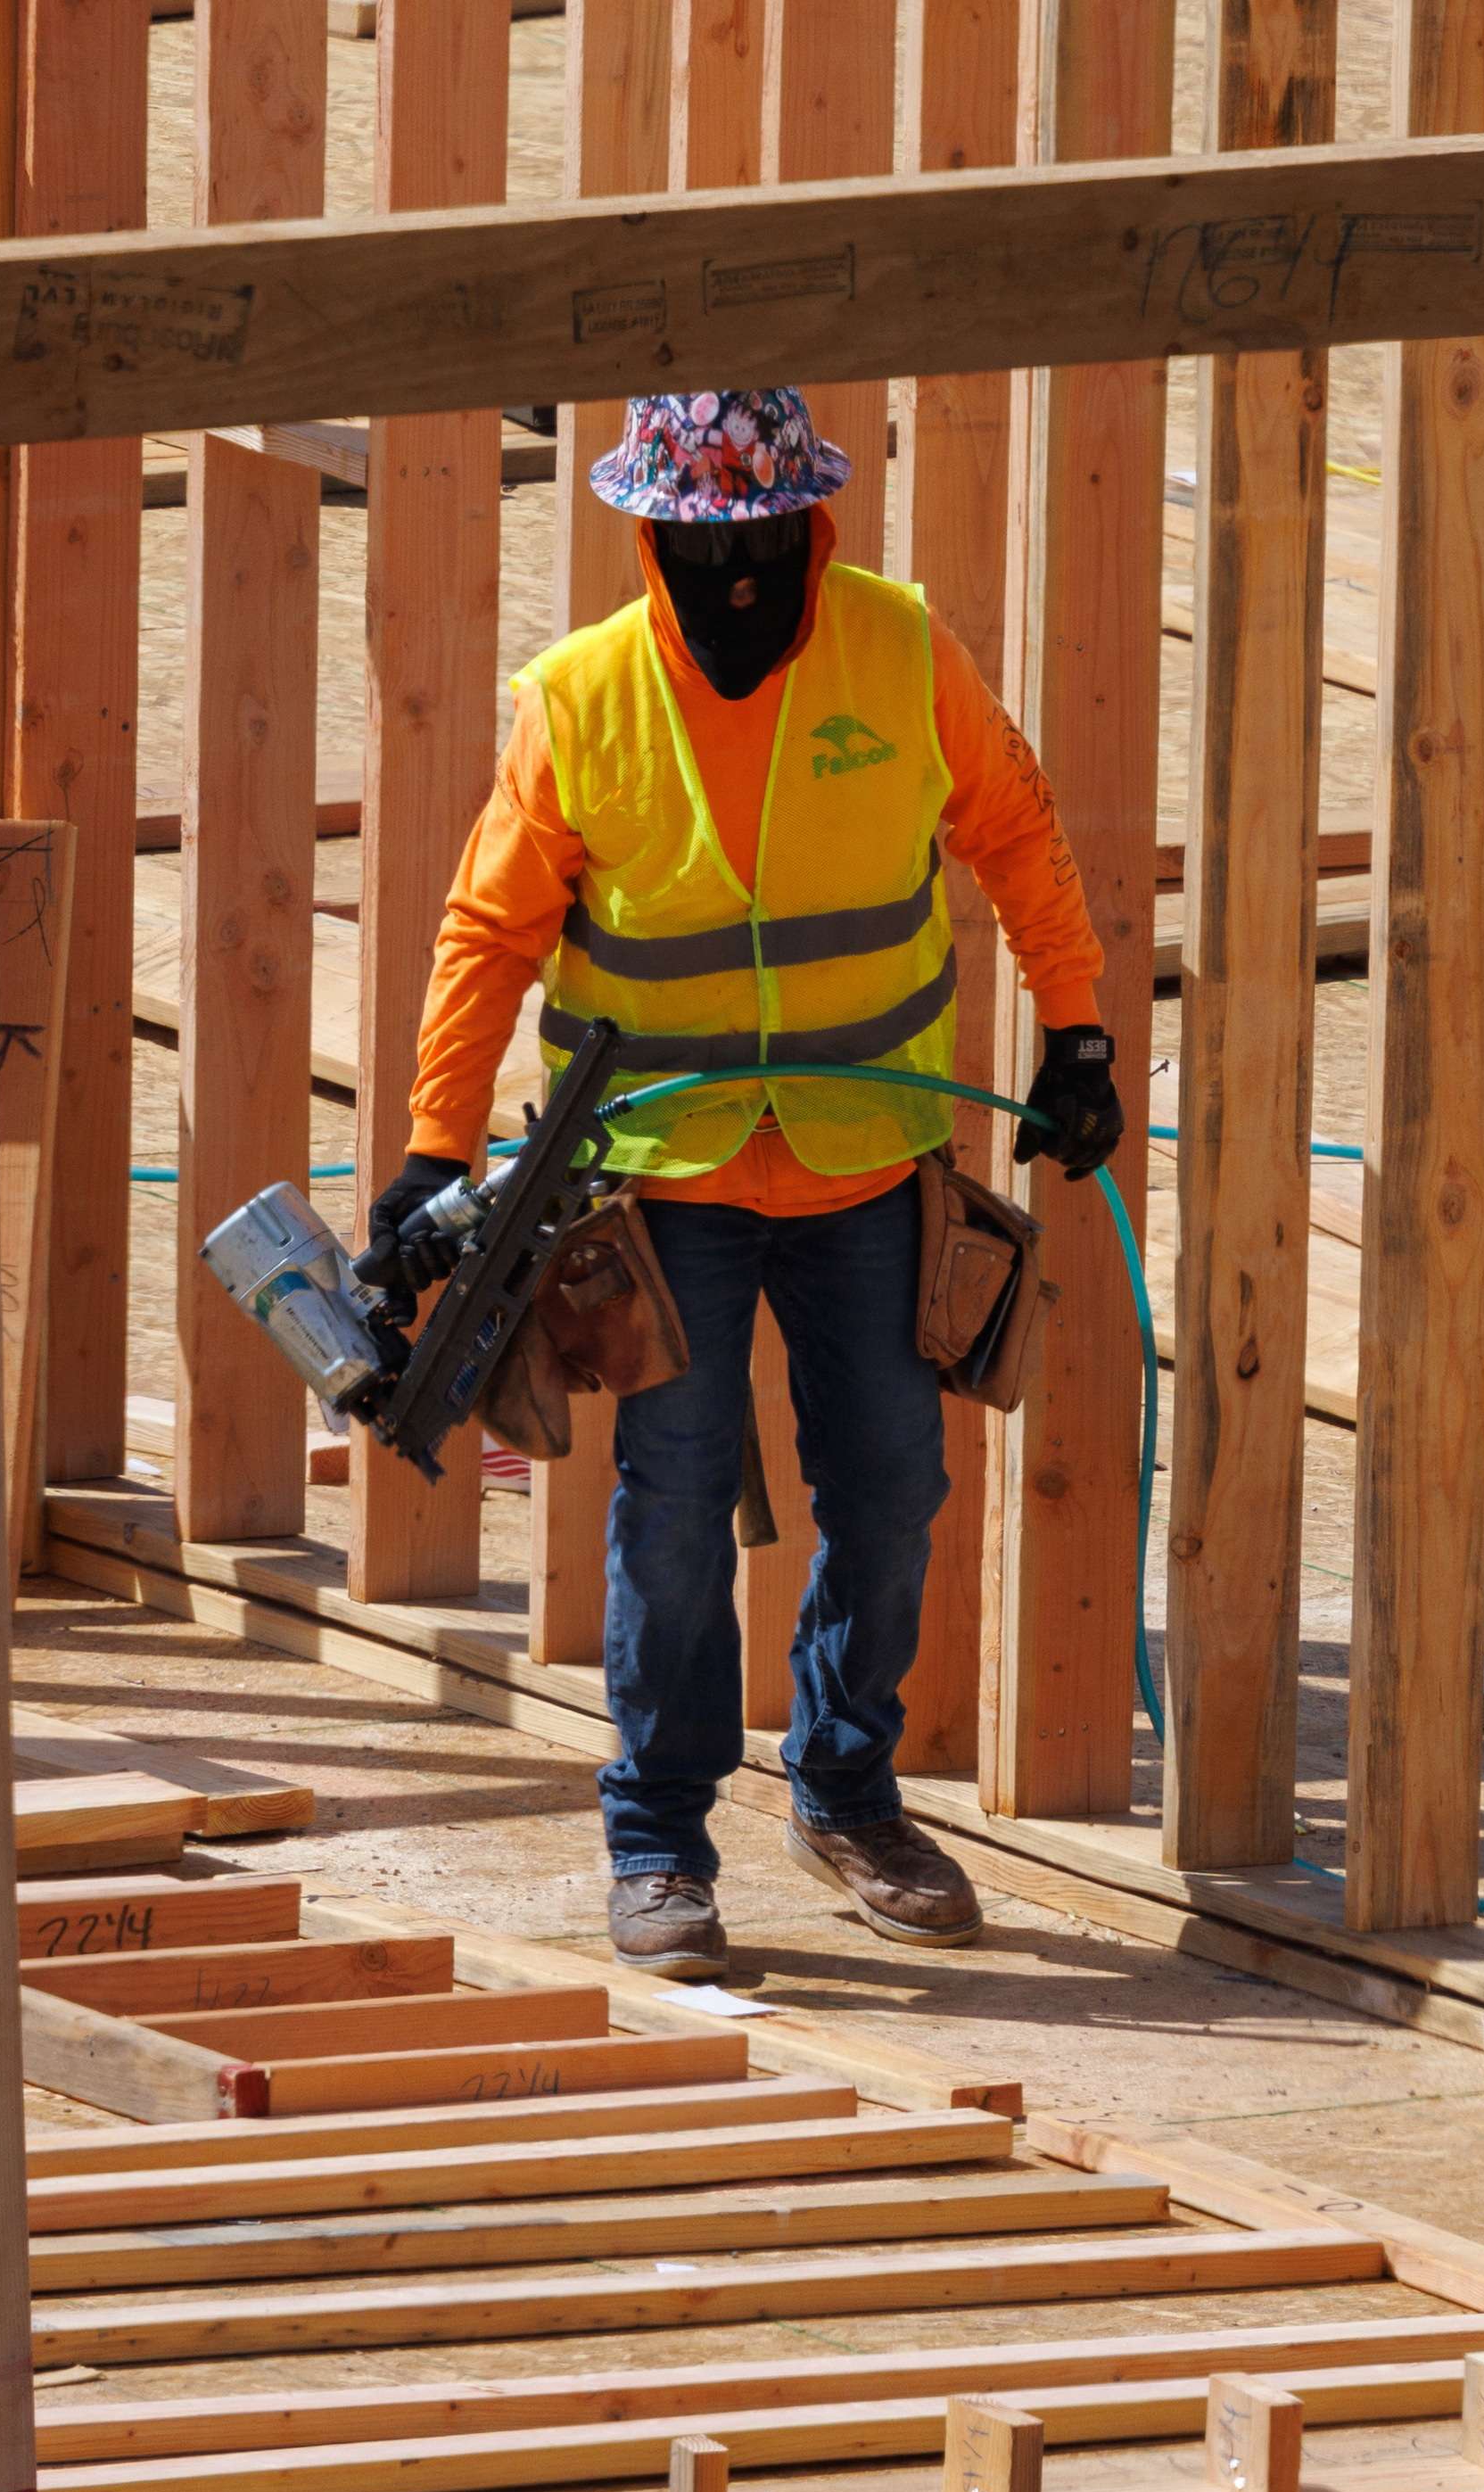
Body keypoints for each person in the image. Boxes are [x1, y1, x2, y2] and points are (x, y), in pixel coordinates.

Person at [392, 386, 1125, 1979]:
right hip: (666, 1179)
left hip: (866, 1157)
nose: (738, 579)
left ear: (813, 527)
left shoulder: (896, 646)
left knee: (891, 1492)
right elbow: (489, 929)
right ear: (655, 536)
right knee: (670, 1516)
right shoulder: (581, 698)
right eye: (704, 545)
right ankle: (658, 1837)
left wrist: (1078, 1029)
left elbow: (1017, 827)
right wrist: (432, 1146)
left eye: (763, 545)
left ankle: (845, 1787)